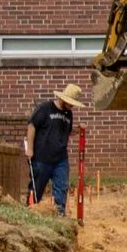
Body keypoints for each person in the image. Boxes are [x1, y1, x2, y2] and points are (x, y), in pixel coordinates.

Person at [28, 83, 85, 213]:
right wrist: (30, 149)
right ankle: (31, 212)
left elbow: (66, 132)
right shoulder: (45, 109)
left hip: (61, 159)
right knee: (36, 189)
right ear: (63, 98)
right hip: (42, 157)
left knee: (61, 187)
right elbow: (31, 126)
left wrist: (77, 130)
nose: (72, 106)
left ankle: (59, 214)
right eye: (70, 103)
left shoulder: (68, 114)